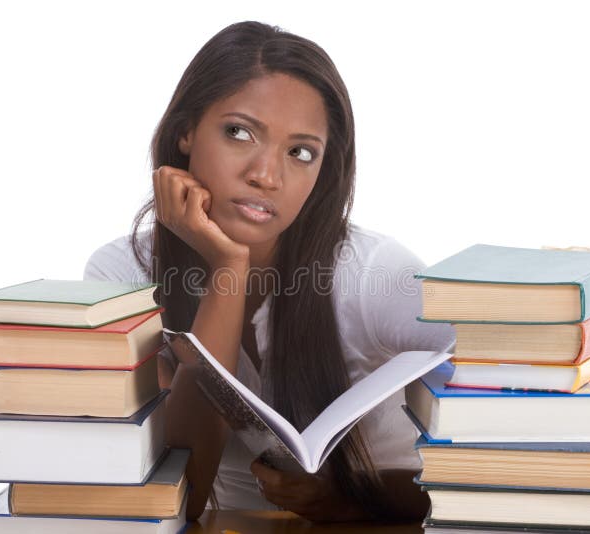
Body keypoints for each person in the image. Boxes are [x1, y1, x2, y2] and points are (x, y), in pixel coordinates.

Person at [84, 20, 455, 522]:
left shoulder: (375, 273)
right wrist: (228, 268)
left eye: (300, 152)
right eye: (240, 132)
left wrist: (350, 497)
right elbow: (182, 498)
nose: (266, 175)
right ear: (186, 132)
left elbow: (501, 462)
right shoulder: (121, 275)